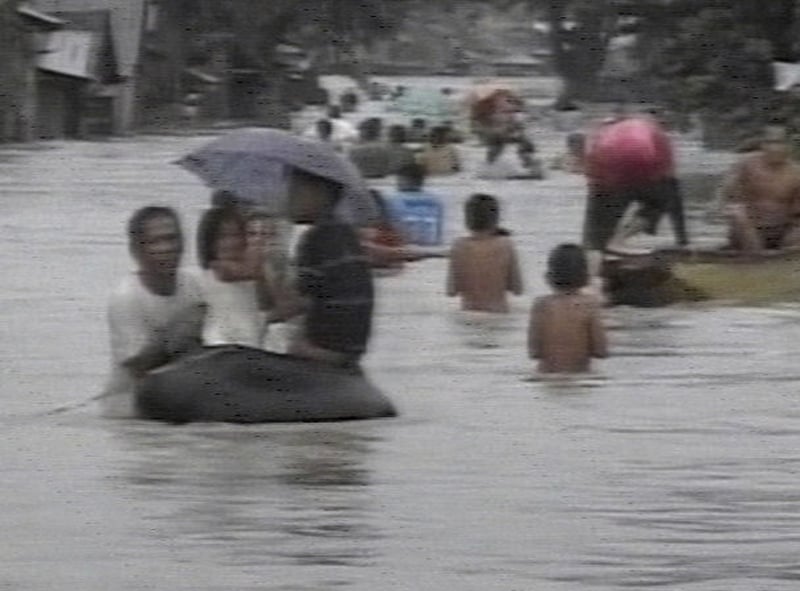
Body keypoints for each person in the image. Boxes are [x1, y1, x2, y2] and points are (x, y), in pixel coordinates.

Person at [102, 206, 205, 417]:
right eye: (155, 242)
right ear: (136, 251)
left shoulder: (194, 285)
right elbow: (137, 368)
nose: (166, 248)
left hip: (180, 399)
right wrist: (174, 336)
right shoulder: (126, 297)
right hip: (130, 410)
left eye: (172, 239)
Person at [280, 170, 375, 367]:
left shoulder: (314, 239)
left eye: (294, 190)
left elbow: (295, 304)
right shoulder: (347, 232)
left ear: (318, 193)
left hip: (324, 350)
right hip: (354, 349)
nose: (288, 197)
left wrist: (261, 316)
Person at [582, 115, 688, 255]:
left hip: (608, 168)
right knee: (659, 202)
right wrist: (682, 239)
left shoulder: (601, 132)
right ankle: (619, 239)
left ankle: (590, 263)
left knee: (595, 239)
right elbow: (673, 191)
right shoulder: (656, 132)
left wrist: (589, 236)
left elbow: (593, 180)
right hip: (646, 165)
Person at [196, 206, 275, 348]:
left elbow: (267, 304)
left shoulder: (254, 272)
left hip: (252, 343)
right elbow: (236, 273)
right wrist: (259, 256)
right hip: (221, 345)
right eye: (223, 237)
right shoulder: (216, 267)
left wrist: (262, 276)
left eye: (237, 235)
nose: (232, 242)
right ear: (209, 242)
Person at [528, 244, 608, 374]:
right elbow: (601, 351)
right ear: (586, 278)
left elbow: (534, 352)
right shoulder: (590, 304)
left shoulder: (540, 305)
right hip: (579, 376)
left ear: (548, 276)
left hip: (546, 377)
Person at [719, 126, 800, 252]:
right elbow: (727, 192)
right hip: (750, 229)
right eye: (770, 142)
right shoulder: (745, 165)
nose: (775, 148)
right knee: (738, 214)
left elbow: (797, 214)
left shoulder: (796, 172)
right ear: (762, 144)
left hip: (782, 231)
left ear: (789, 146)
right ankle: (755, 260)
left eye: (779, 143)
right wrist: (733, 210)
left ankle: (784, 261)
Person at [446, 193, 523, 313]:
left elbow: (451, 291)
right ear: (496, 219)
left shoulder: (458, 246)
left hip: (468, 315)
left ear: (467, 220)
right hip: (499, 316)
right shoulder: (506, 245)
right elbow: (518, 290)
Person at [386, 161, 444, 246]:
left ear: (404, 179)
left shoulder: (393, 200)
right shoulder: (436, 201)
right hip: (431, 245)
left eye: (398, 180)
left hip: (403, 247)